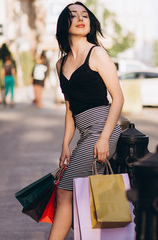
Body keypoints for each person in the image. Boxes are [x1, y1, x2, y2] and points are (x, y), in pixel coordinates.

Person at [49, 2, 124, 239]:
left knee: (64, 191)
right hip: (85, 132)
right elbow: (70, 109)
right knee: (74, 193)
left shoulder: (97, 53)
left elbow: (119, 98)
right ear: (64, 24)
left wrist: (104, 138)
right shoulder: (60, 64)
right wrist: (65, 145)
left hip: (104, 129)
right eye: (73, 16)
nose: (81, 19)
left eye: (85, 15)